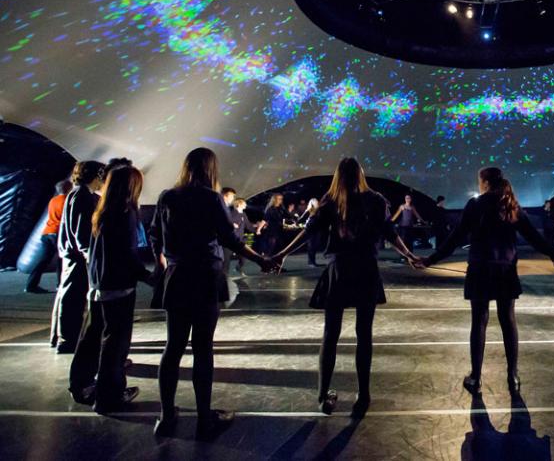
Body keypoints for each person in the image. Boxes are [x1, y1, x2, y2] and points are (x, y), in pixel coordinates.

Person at [274, 158, 419, 417]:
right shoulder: (375, 200)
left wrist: (282, 253)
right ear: (360, 174)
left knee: (331, 335)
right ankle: (363, 396)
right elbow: (389, 232)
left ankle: (323, 395)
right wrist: (409, 254)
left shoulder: (331, 201)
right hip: (365, 269)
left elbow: (309, 232)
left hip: (339, 270)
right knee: (365, 334)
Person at [149, 148, 275, 440]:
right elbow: (229, 238)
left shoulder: (168, 196)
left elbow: (155, 233)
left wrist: (164, 262)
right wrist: (261, 260)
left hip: (178, 277)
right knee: (202, 348)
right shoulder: (210, 198)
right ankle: (204, 420)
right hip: (205, 276)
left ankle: (167, 417)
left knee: (173, 347)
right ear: (210, 169)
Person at [419, 168, 554, 396]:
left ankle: (476, 377)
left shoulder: (475, 205)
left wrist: (430, 259)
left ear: (484, 182)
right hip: (505, 269)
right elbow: (534, 237)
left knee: (479, 321)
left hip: (479, 268)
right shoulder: (510, 204)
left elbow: (455, 238)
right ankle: (513, 376)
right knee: (508, 321)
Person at [70, 165, 154, 412]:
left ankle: (81, 385)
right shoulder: (125, 213)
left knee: (92, 338)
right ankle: (109, 395)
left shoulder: (102, 210)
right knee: (115, 343)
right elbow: (127, 254)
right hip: (118, 287)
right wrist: (146, 276)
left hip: (98, 284)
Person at [50, 160, 105, 354]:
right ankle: (68, 340)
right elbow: (81, 232)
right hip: (77, 256)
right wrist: (89, 254)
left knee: (68, 294)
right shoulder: (82, 196)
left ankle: (62, 337)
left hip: (73, 254)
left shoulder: (78, 194)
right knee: (73, 296)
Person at [26, 179, 73, 294]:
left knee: (43, 261)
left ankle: (31, 285)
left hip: (47, 232)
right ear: (69, 188)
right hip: (58, 233)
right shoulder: (68, 201)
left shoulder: (53, 200)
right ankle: (61, 284)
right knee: (62, 259)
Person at [229, 198, 265, 275]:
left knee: (244, 255)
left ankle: (239, 267)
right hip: (232, 238)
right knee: (227, 256)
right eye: (244, 203)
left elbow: (248, 225)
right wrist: (232, 224)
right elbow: (227, 221)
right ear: (239, 204)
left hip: (240, 239)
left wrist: (256, 231)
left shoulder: (243, 214)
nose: (246, 205)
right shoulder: (232, 213)